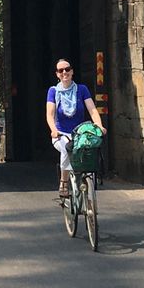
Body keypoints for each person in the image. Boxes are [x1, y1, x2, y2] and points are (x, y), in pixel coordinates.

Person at [46, 59, 105, 199]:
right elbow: (50, 115)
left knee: (89, 147)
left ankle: (88, 179)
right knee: (68, 148)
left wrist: (99, 125)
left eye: (67, 69)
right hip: (61, 134)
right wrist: (54, 130)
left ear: (72, 71)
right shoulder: (53, 91)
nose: (64, 72)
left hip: (79, 133)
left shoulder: (81, 89)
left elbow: (92, 110)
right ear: (57, 74)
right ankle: (64, 182)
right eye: (61, 71)